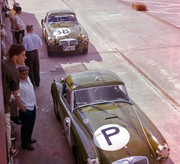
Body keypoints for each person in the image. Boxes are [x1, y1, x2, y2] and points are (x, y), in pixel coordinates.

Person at [1, 44, 26, 157]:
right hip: (4, 105)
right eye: (23, 55)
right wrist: (23, 108)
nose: (25, 58)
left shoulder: (3, 63)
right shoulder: (15, 72)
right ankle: (9, 148)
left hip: (5, 97)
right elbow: (16, 95)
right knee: (7, 126)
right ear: (15, 57)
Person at [18, 65, 37, 150]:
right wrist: (23, 109)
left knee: (31, 125)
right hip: (26, 109)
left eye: (26, 73)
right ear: (19, 75)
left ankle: (29, 139)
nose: (25, 75)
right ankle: (25, 143)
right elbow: (15, 97)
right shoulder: (18, 85)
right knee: (25, 127)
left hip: (33, 106)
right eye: (23, 74)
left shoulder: (28, 79)